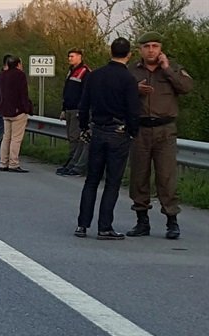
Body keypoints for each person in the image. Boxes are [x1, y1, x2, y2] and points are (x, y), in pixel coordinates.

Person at [126, 31, 193, 239]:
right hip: (140, 130)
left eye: (155, 46)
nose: (151, 50)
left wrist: (167, 70)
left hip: (165, 130)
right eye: (147, 46)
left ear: (161, 48)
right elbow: (118, 95)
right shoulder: (131, 71)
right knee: (139, 176)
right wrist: (134, 90)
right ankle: (142, 221)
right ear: (140, 49)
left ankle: (172, 221)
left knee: (166, 177)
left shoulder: (173, 68)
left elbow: (187, 87)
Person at [74, 37, 140, 240]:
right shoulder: (128, 79)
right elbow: (132, 110)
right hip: (118, 133)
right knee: (112, 182)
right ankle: (104, 227)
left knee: (91, 180)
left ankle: (82, 225)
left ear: (110, 52)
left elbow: (83, 104)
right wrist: (133, 131)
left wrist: (84, 126)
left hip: (97, 132)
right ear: (129, 54)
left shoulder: (95, 76)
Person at [57, 48, 91, 177]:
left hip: (78, 109)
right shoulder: (71, 71)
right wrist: (63, 109)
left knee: (75, 137)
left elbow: (85, 93)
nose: (70, 59)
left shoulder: (84, 72)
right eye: (69, 56)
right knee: (71, 138)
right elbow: (67, 92)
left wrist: (82, 111)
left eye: (72, 56)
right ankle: (71, 162)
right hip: (69, 109)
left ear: (79, 57)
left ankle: (73, 163)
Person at [0, 56, 33, 173]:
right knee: (16, 139)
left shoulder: (2, 75)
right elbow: (23, 93)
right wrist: (26, 108)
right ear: (18, 64)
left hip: (5, 110)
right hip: (18, 111)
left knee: (6, 137)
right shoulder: (20, 75)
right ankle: (13, 163)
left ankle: (3, 162)